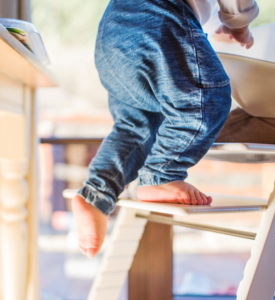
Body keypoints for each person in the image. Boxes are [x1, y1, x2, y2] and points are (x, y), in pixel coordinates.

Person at [72, 0, 259, 258]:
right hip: (159, 19)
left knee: (137, 127)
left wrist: (218, 23)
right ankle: (163, 174)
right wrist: (238, 23)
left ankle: (96, 194)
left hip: (111, 35)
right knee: (204, 99)